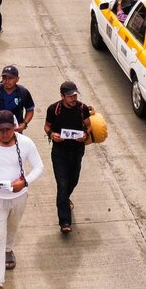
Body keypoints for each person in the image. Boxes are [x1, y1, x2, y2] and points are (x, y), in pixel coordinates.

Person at [0, 110, 45, 289]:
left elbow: (39, 167)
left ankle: (9, 249)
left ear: (14, 127)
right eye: (1, 130)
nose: (5, 134)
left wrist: (25, 182)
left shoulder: (26, 143)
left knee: (12, 229)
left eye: (8, 129)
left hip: (19, 197)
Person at [43, 81, 92, 233]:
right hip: (59, 152)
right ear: (62, 96)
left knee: (73, 180)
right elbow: (46, 126)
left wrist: (85, 135)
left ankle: (65, 198)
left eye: (75, 95)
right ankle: (65, 222)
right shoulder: (54, 109)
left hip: (77, 150)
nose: (73, 98)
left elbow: (88, 125)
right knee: (62, 184)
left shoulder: (82, 108)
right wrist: (52, 134)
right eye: (70, 96)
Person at [0, 64, 36, 136]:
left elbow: (30, 110)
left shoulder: (23, 92)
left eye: (10, 78)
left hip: (15, 131)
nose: (7, 81)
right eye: (4, 78)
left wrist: (24, 123)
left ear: (17, 79)